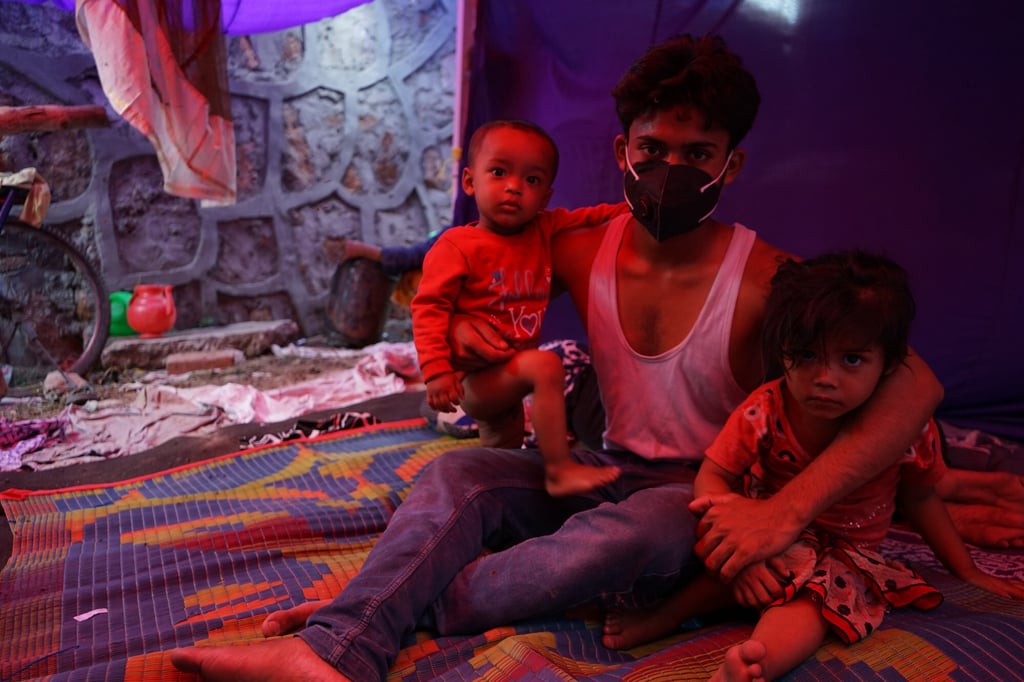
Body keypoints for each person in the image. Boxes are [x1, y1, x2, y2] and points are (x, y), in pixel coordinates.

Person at [170, 33, 943, 681]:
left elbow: (917, 387)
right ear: (622, 150)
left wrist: (781, 514)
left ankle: (365, 619)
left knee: (629, 538)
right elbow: (472, 295)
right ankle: (351, 630)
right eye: (653, 148)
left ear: (730, 167)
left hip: (692, 495)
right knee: (456, 476)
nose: (671, 169)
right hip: (597, 466)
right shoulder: (576, 248)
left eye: (698, 153)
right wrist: (466, 346)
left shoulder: (767, 276)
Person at [599, 251, 1024, 679]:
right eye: (805, 356)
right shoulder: (766, 409)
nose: (825, 378)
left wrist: (966, 570)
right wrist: (741, 554)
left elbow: (921, 497)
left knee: (816, 601)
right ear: (781, 351)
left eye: (851, 359)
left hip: (846, 555)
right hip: (763, 537)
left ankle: (757, 661)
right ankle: (666, 616)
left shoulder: (905, 430)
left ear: (891, 363)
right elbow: (714, 475)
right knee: (714, 571)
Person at [412, 119, 625, 496]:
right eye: (499, 172)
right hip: (474, 380)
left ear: (545, 197)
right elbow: (429, 307)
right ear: (469, 182)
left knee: (504, 452)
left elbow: (593, 217)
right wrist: (436, 372)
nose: (514, 187)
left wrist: (632, 209)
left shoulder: (543, 229)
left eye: (532, 179)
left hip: (508, 374)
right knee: (546, 366)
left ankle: (495, 497)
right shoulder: (457, 245)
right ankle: (559, 470)